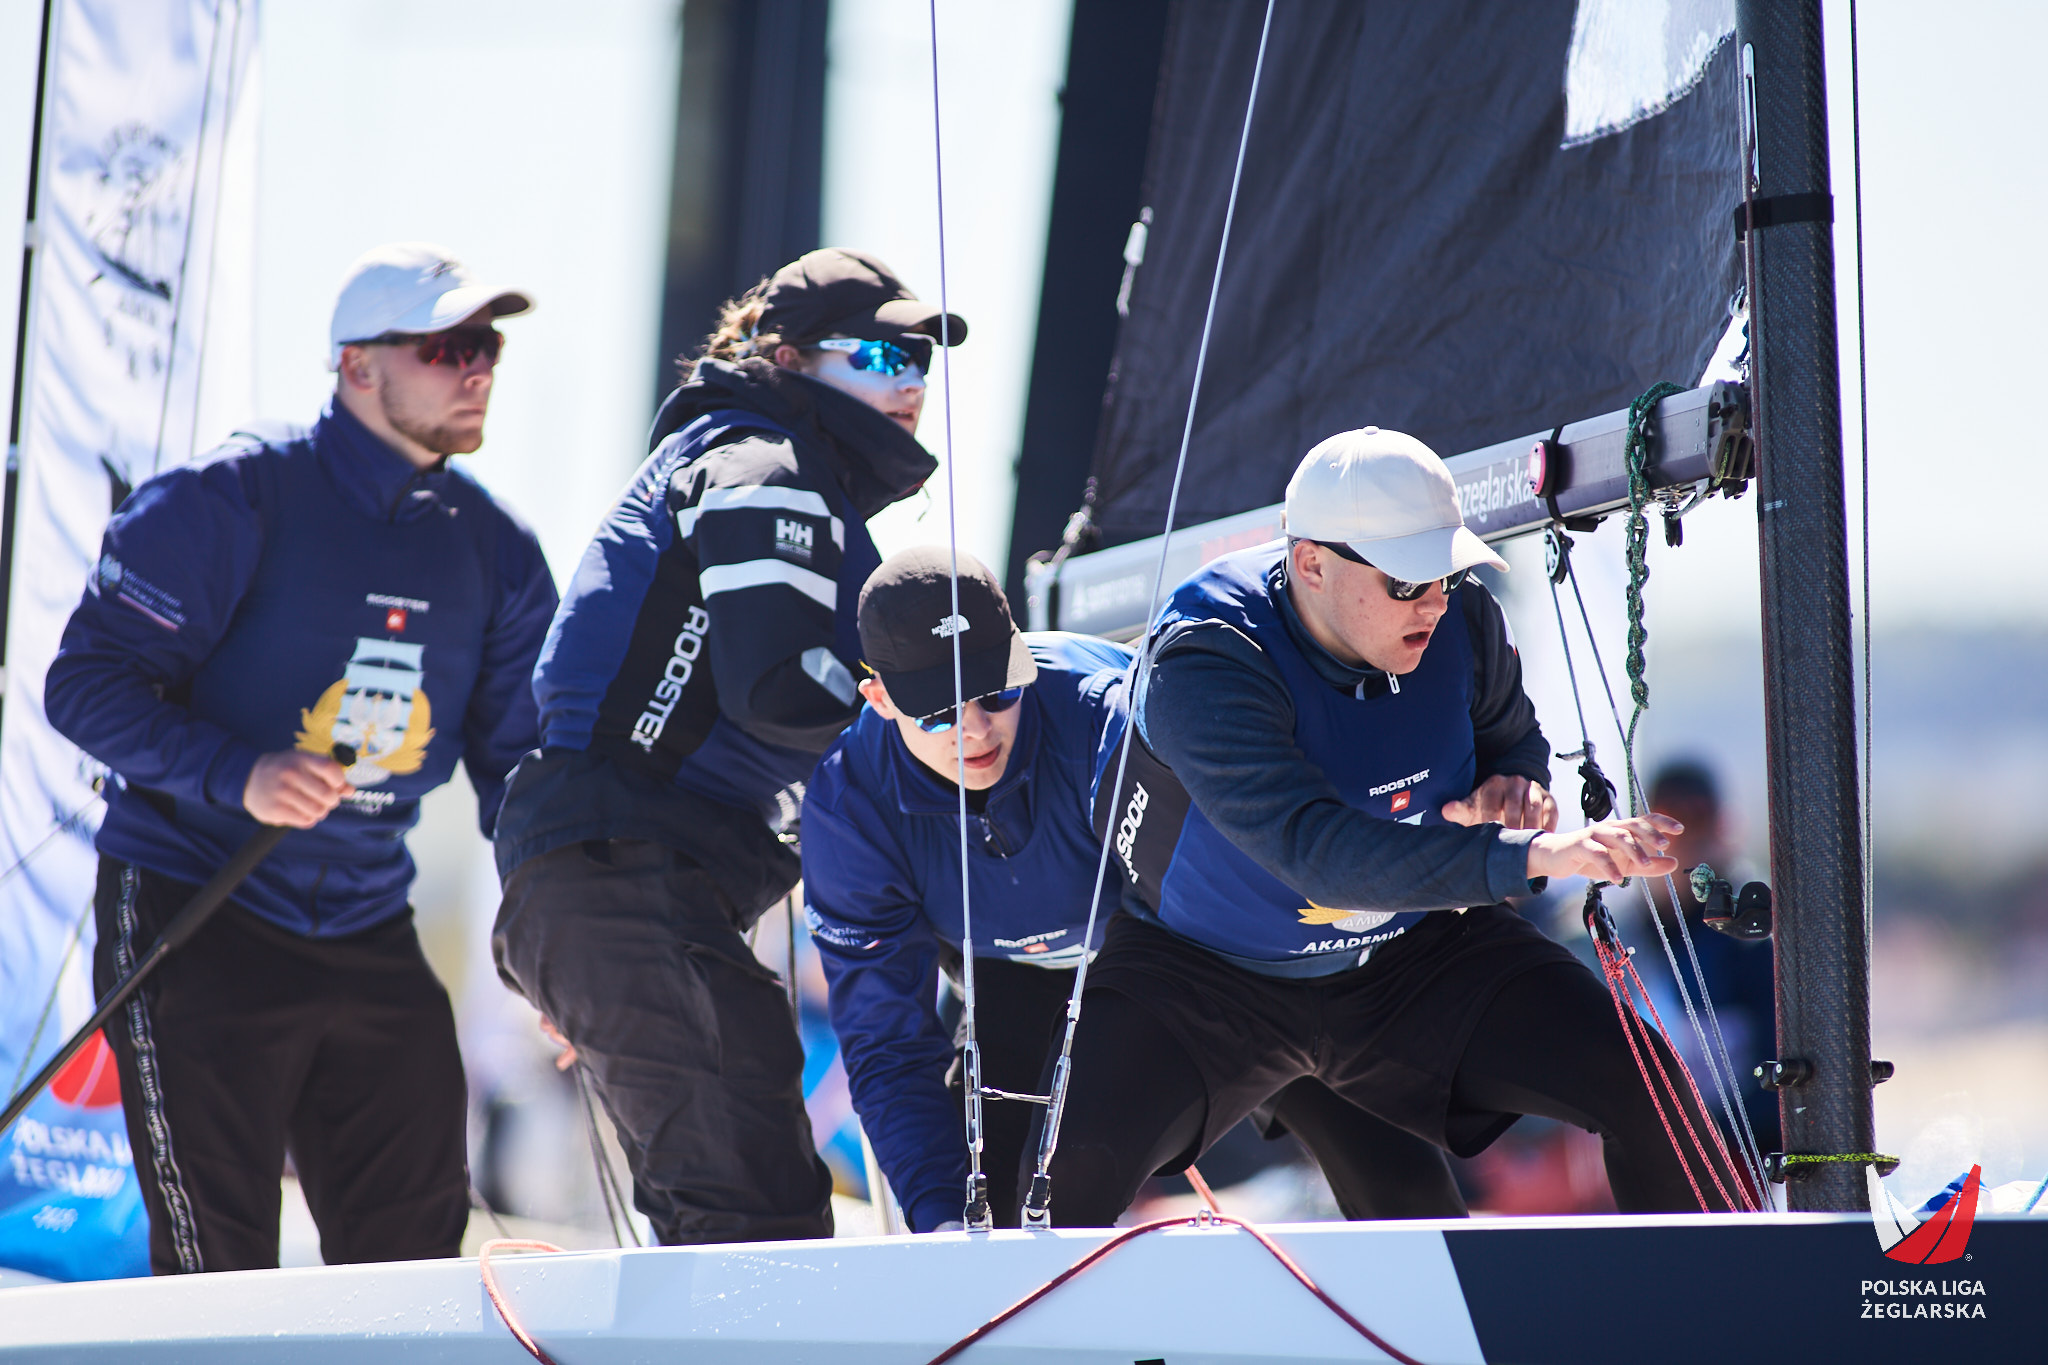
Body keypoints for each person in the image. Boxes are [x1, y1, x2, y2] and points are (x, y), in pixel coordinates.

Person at [1037, 426, 1748, 1225]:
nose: (1435, 600)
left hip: (1405, 956)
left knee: (1645, 1086)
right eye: (1408, 580)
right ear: (1311, 563)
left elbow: (1513, 738)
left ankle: (1737, 1293)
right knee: (1059, 1190)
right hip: (1207, 974)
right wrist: (1540, 852)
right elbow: (1314, 849)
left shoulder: (1463, 620)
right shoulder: (1205, 660)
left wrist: (1513, 789)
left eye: (1445, 571)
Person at [44, 242, 556, 1273]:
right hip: (197, 908)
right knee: (218, 1270)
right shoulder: (228, 496)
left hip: (368, 921)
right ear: (356, 365)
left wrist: (562, 949)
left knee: (413, 1269)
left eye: (487, 347)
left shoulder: (496, 548)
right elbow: (84, 687)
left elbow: (521, 775)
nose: (476, 370)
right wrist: (241, 772)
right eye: (446, 347)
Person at [491, 248, 963, 1245]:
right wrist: (948, 720)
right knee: (754, 1220)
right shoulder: (762, 462)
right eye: (881, 355)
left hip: (620, 883)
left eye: (921, 359)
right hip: (627, 879)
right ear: (788, 359)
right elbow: (782, 691)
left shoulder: (764, 463)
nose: (912, 380)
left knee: (751, 1217)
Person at [805, 547, 1469, 1231]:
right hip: (1015, 978)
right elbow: (887, 1043)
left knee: (1398, 1178)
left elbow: (1254, 862)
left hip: (1197, 953)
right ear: (880, 700)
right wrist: (938, 1218)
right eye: (937, 714)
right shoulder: (847, 810)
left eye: (996, 691)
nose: (974, 729)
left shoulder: (1104, 711)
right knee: (991, 1218)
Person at [1639, 759, 1780, 1154]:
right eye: (1667, 826)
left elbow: (1779, 1097)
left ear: (1723, 829)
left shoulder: (1759, 942)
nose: (1684, 843)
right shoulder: (1609, 933)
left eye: (1697, 821)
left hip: (1733, 1160)